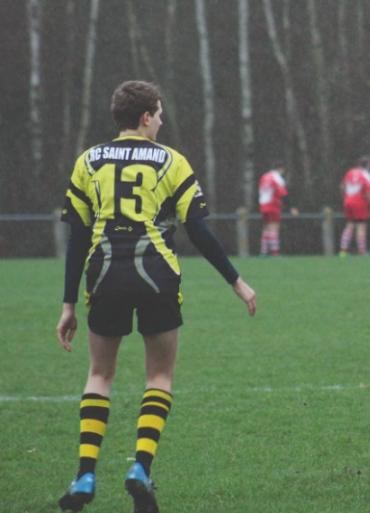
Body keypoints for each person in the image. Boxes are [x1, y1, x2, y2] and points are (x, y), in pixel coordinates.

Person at [56, 81, 257, 513]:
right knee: (159, 377)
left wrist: (69, 303)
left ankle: (85, 474)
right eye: (160, 114)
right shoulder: (170, 161)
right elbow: (198, 229)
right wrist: (236, 281)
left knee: (100, 374)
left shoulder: (88, 161)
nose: (162, 122)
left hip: (104, 272)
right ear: (146, 117)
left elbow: (77, 236)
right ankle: (140, 468)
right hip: (156, 274)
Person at [258, 161, 296, 256]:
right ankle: (275, 252)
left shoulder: (264, 176)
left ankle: (263, 252)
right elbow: (283, 193)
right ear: (280, 169)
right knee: (274, 227)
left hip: (263, 205)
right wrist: (291, 207)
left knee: (266, 228)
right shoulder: (276, 177)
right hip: (273, 205)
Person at [339, 156, 370, 255]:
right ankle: (362, 251)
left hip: (348, 201)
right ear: (368, 165)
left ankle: (343, 250)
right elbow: (369, 194)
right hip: (359, 202)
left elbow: (342, 186)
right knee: (361, 226)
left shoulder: (350, 172)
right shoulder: (367, 175)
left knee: (349, 225)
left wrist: (345, 198)